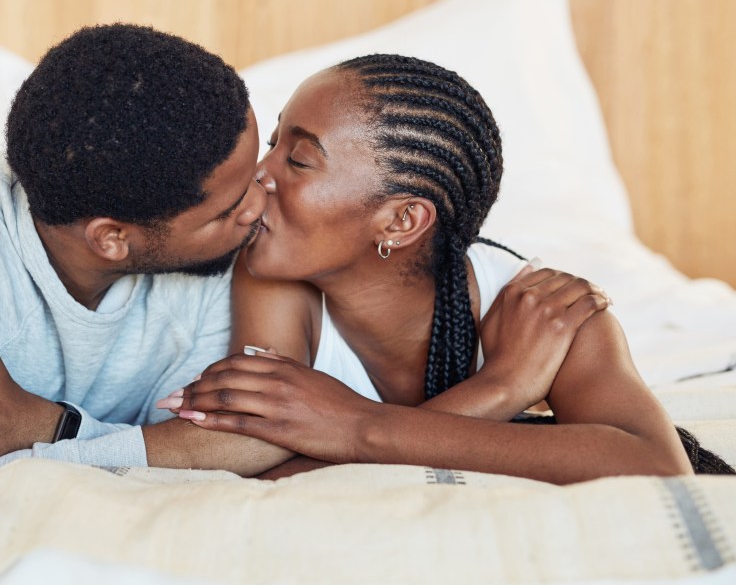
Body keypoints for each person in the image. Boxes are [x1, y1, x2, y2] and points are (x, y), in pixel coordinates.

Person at [0, 26, 608, 478]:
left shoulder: (262, 265)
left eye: (284, 159)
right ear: (116, 238)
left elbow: (259, 445)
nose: (264, 198)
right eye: (233, 200)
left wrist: (39, 426)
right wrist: (499, 394)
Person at [160, 54, 697, 483]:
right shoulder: (275, 279)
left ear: (401, 220)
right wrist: (500, 390)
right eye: (275, 143)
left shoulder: (542, 313)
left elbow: (656, 467)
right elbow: (268, 470)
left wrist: (357, 427)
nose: (258, 175)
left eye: (297, 160)